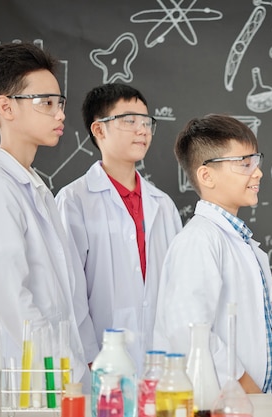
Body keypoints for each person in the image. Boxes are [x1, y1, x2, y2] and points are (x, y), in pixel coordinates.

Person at [0, 42, 98, 394]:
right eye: (45, 103)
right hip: (14, 385)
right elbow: (14, 303)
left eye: (59, 102)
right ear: (5, 107)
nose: (59, 114)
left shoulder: (34, 189)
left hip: (48, 382)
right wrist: (61, 380)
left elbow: (62, 302)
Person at [153, 114, 272, 393]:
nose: (258, 172)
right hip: (226, 401)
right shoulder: (199, 240)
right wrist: (247, 388)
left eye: (256, 161)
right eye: (244, 164)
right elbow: (190, 331)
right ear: (206, 175)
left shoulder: (238, 240)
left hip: (255, 400)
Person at [55, 83, 182, 375]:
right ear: (99, 130)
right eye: (129, 121)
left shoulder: (162, 205)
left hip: (160, 361)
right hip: (98, 361)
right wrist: (89, 355)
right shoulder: (74, 201)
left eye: (147, 122)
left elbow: (176, 288)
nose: (142, 130)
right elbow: (69, 289)